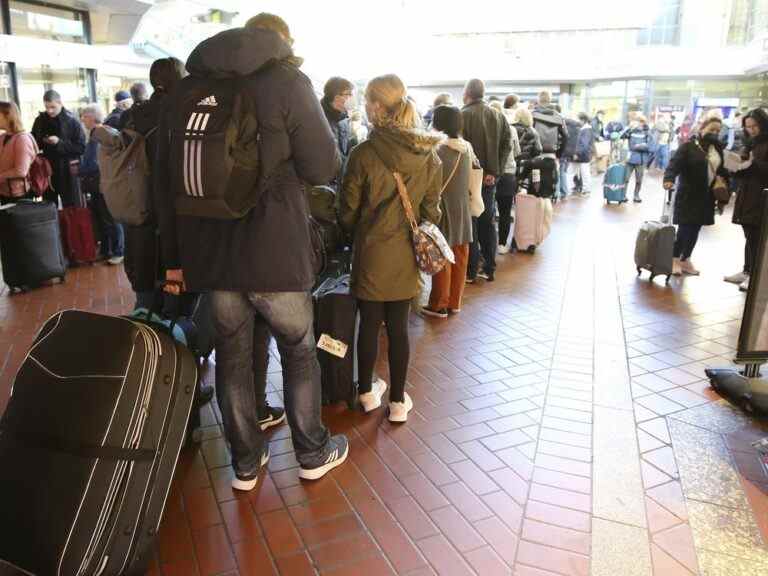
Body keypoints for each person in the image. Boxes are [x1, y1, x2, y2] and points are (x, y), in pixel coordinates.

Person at [156, 13, 347, 487]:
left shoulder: (186, 89)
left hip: (212, 253)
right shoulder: (287, 80)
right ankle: (312, 451)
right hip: (275, 248)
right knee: (300, 352)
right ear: (278, 40)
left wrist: (174, 259)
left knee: (232, 356)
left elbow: (164, 181)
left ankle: (244, 462)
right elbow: (324, 165)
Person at [340, 73, 442, 422]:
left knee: (368, 324)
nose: (363, 106)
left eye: (367, 100)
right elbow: (432, 212)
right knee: (399, 327)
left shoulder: (362, 154)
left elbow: (347, 211)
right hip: (406, 255)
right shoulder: (428, 155)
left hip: (370, 253)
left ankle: (367, 393)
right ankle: (398, 402)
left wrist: (359, 230)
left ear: (378, 106)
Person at [422, 105, 474, 318]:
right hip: (463, 207)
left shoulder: (437, 149)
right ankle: (454, 302)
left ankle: (438, 304)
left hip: (442, 207)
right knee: (460, 254)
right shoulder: (467, 148)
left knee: (442, 253)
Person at [663, 116, 728, 276]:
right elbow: (674, 164)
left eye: (718, 131)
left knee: (696, 229)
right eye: (711, 129)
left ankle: (686, 259)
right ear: (702, 128)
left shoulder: (717, 149)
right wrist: (669, 179)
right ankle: (674, 259)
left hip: (707, 196)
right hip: (688, 194)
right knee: (685, 228)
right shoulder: (688, 147)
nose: (714, 133)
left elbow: (721, 169)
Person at [461, 78, 511, 283]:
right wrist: (495, 171)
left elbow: (462, 148)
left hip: (469, 176)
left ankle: (471, 270)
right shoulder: (499, 115)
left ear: (467, 93)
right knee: (488, 221)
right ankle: (489, 268)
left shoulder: (463, 115)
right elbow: (507, 145)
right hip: (491, 178)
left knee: (470, 222)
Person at [725, 108, 768, 292]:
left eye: (754, 126)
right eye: (748, 126)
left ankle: (755, 276)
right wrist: (737, 165)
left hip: (760, 196)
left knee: (756, 238)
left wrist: (752, 164)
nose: (751, 130)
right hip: (747, 194)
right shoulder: (750, 143)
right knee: (749, 235)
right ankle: (747, 270)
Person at [79, 104, 124, 265]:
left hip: (102, 182)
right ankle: (107, 250)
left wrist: (80, 169)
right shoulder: (97, 134)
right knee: (103, 218)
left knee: (110, 218)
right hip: (99, 183)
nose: (82, 119)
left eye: (84, 116)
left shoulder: (99, 134)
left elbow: (94, 162)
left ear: (91, 117)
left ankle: (118, 250)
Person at [31, 90, 86, 207]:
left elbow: (81, 148)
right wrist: (42, 141)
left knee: (70, 205)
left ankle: (69, 225)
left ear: (60, 103)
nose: (49, 111)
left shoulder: (72, 121)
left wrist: (59, 143)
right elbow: (33, 142)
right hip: (46, 169)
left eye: (53, 107)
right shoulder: (40, 120)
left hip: (67, 170)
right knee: (49, 205)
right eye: (47, 107)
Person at [532, 91, 568, 200]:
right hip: (551, 156)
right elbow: (566, 136)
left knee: (534, 188)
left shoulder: (532, 115)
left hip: (535, 157)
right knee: (548, 189)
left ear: (539, 99)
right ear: (550, 100)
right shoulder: (558, 117)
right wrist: (558, 153)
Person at [496, 98, 521, 252]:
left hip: (489, 173)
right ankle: (502, 244)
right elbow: (517, 151)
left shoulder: (487, 128)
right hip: (508, 173)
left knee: (486, 211)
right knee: (505, 211)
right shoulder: (511, 130)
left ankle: (484, 244)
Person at [0, 101, 37, 203]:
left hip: (19, 195)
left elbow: (21, 171)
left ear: (8, 115)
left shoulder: (22, 139)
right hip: (4, 192)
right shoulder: (2, 137)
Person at [321, 76, 354, 189]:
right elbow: (334, 156)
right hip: (328, 184)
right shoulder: (321, 120)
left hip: (339, 181)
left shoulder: (342, 118)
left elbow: (344, 148)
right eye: (348, 94)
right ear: (336, 96)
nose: (351, 98)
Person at [623, 115, 652, 203]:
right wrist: (629, 128)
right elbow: (622, 137)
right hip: (630, 159)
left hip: (641, 160)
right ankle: (623, 195)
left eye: (640, 121)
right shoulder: (631, 131)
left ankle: (636, 195)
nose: (638, 123)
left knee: (639, 180)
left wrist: (637, 147)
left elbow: (651, 147)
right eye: (637, 121)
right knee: (625, 178)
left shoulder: (647, 132)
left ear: (643, 122)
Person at [572, 112, 595, 197]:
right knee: (583, 172)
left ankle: (586, 190)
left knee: (585, 173)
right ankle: (584, 189)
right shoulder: (586, 129)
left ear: (583, 120)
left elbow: (584, 145)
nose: (578, 122)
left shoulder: (586, 130)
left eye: (579, 120)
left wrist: (577, 153)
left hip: (584, 155)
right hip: (584, 155)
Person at [560, 113, 581, 198]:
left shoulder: (565, 126)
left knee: (562, 172)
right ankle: (565, 190)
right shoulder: (577, 127)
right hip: (571, 152)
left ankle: (564, 191)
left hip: (563, 151)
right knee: (565, 171)